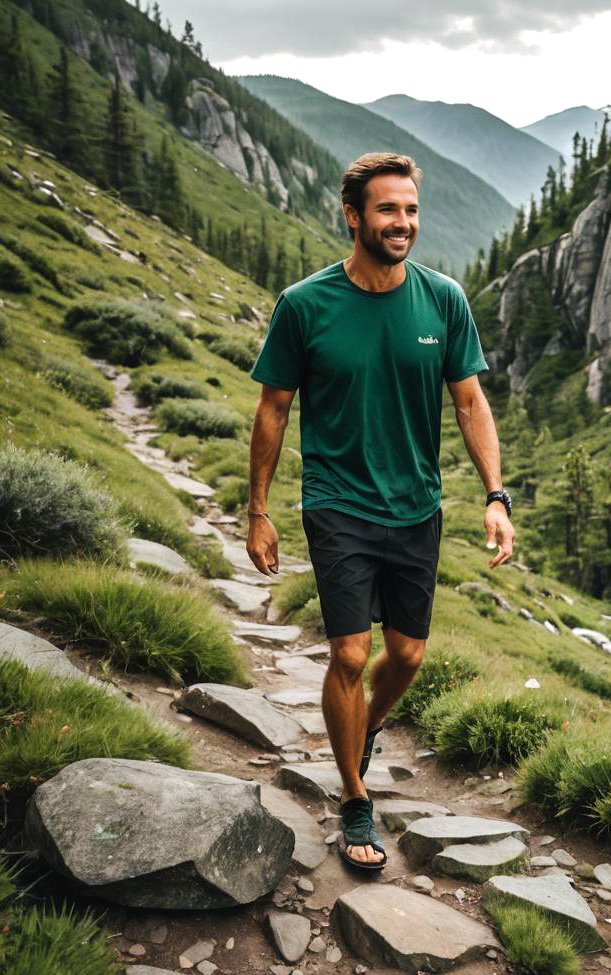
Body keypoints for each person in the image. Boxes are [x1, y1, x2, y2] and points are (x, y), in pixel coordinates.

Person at [245, 152, 515, 871]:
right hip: (337, 501)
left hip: (415, 506)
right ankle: (355, 795)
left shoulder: (442, 300)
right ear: (354, 216)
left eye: (412, 210)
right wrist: (258, 510)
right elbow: (273, 409)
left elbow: (468, 401)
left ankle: (362, 731)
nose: (404, 223)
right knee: (350, 654)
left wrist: (495, 495)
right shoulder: (306, 305)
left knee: (408, 655)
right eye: (389, 210)